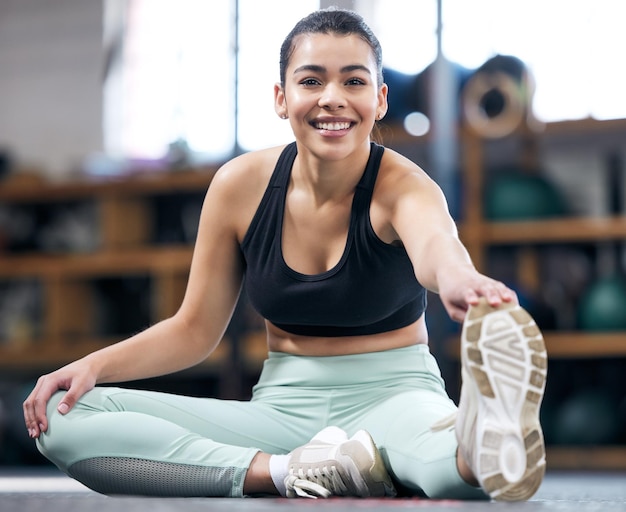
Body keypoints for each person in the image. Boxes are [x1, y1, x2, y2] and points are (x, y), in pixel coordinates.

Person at [23, 8, 547, 501]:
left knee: (451, 471)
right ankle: (292, 472)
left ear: (381, 99)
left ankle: (479, 439)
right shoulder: (239, 187)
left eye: (354, 81)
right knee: (64, 417)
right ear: (281, 97)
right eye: (312, 80)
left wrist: (458, 280)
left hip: (395, 398)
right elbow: (193, 331)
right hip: (281, 413)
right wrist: (92, 366)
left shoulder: (404, 186)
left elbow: (437, 246)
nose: (333, 98)